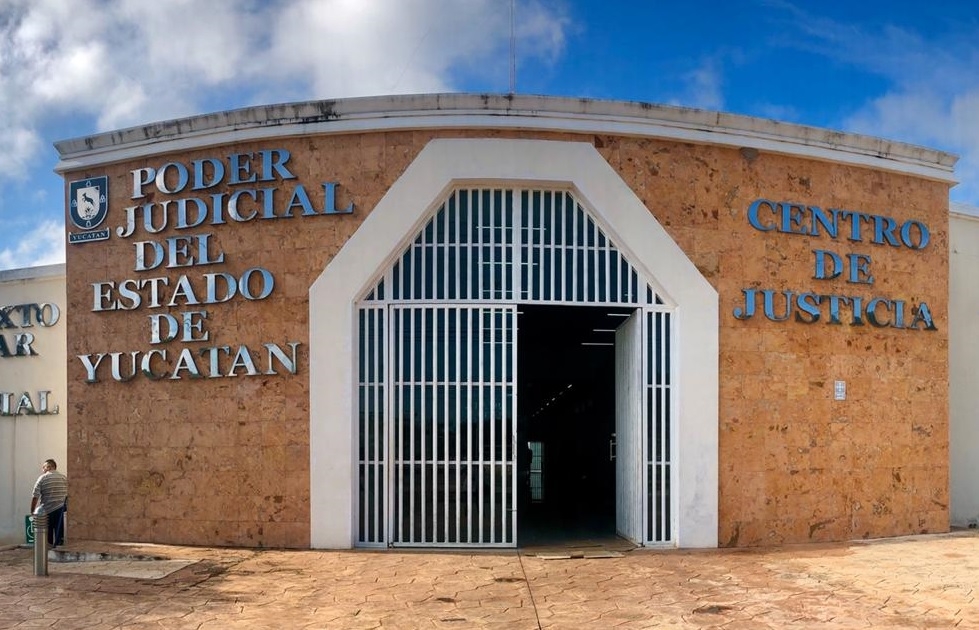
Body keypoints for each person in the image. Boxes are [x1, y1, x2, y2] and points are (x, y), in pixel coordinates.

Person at [30, 459, 68, 547]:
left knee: (47, 538)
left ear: (49, 467)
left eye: (44, 467)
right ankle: (59, 550)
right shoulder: (63, 477)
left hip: (47, 511)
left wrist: (32, 511)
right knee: (60, 536)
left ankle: (47, 554)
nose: (43, 470)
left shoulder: (42, 478)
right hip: (61, 510)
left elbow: (35, 496)